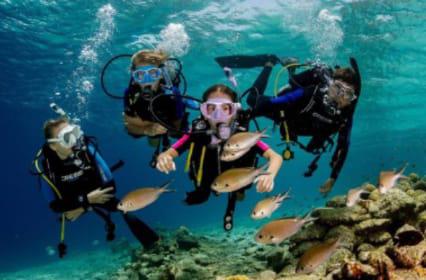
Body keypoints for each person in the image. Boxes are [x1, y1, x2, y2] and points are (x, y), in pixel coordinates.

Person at [215, 55, 361, 196]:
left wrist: (333, 177)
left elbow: (344, 145)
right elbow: (275, 103)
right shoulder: (311, 93)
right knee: (252, 100)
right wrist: (249, 114)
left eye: (347, 94)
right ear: (329, 85)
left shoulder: (345, 115)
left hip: (300, 128)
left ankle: (291, 70)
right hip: (287, 114)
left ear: (352, 99)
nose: (339, 97)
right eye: (337, 89)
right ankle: (269, 63)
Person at [155, 84, 283, 231]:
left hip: (239, 178)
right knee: (201, 195)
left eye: (225, 108)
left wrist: (270, 175)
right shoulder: (196, 132)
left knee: (239, 194)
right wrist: (164, 157)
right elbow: (170, 152)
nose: (218, 115)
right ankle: (206, 192)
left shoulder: (243, 136)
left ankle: (236, 194)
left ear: (234, 111)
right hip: (205, 178)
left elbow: (275, 157)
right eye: (211, 108)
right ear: (203, 111)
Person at [32, 118, 159, 257]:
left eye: (75, 132)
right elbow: (54, 206)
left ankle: (152, 242)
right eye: (67, 137)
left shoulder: (87, 150)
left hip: (97, 194)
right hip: (73, 200)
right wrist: (85, 201)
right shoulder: (45, 167)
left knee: (124, 208)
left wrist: (85, 205)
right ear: (53, 146)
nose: (74, 140)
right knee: (64, 216)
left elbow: (111, 187)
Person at [123, 49, 197, 167]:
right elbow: (128, 123)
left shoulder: (172, 94)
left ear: (161, 74)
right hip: (151, 122)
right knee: (149, 140)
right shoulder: (131, 94)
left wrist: (164, 128)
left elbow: (177, 125)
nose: (148, 80)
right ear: (134, 77)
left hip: (172, 120)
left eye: (153, 74)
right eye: (140, 75)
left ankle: (185, 102)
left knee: (176, 134)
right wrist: (147, 130)